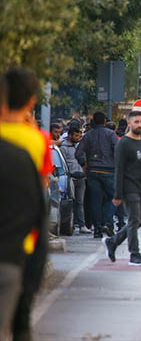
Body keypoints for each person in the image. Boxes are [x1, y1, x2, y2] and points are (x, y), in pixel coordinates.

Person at [0, 73, 48, 341]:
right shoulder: (36, 142)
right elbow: (39, 201)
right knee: (18, 324)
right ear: (31, 102)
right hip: (18, 249)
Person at [103, 110, 141, 267]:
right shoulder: (123, 143)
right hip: (129, 189)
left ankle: (112, 241)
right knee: (134, 219)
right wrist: (117, 194)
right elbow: (119, 169)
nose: (140, 125)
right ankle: (134, 254)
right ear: (129, 123)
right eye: (136, 122)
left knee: (139, 221)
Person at [75, 111, 120, 238]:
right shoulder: (111, 134)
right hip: (109, 171)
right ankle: (107, 221)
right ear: (105, 121)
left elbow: (78, 153)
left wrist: (84, 164)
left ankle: (97, 229)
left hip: (93, 171)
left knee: (95, 200)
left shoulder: (88, 136)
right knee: (113, 197)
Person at [60, 125, 91, 234]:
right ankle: (71, 224)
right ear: (70, 135)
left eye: (79, 136)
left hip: (81, 177)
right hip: (70, 177)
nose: (78, 138)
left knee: (80, 202)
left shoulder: (79, 146)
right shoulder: (63, 147)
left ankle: (82, 225)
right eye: (76, 135)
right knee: (71, 202)